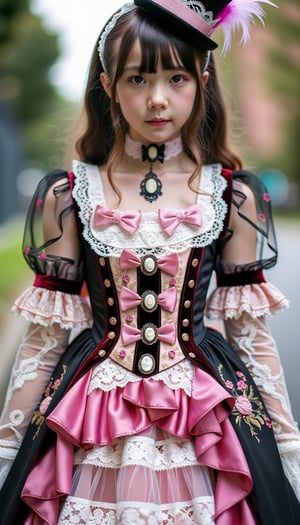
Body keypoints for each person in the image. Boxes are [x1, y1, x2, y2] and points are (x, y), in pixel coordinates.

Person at [0, 0, 299, 523]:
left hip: (207, 412)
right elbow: (43, 340)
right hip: (91, 412)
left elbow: (251, 335)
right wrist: (6, 452)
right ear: (107, 84)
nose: (157, 99)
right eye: (137, 79)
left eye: (177, 78)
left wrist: (289, 452)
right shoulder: (69, 196)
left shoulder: (232, 197)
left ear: (203, 80)